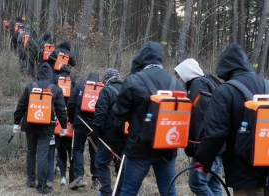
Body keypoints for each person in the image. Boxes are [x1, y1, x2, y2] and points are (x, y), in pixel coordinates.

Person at [194, 42, 269, 196]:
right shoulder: (267, 85)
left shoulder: (224, 91)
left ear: (225, 66)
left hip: (244, 173)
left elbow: (215, 135)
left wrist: (201, 163)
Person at [113, 41, 183, 196]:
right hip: (167, 147)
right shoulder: (176, 83)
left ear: (142, 58)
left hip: (139, 148)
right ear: (161, 59)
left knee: (129, 190)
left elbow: (120, 114)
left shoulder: (133, 81)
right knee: (169, 192)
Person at [13, 62, 67, 194]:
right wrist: (64, 126)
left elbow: (21, 105)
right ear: (50, 75)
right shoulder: (55, 89)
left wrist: (16, 122)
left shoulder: (30, 86)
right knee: (42, 155)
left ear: (38, 74)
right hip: (46, 127)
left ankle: (31, 180)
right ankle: (42, 186)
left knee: (31, 151)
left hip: (30, 125)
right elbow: (61, 110)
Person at [174, 58, 223, 196]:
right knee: (214, 186)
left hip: (205, 146)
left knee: (197, 182)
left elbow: (199, 117)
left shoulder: (198, 85)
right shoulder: (210, 82)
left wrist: (191, 143)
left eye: (179, 75)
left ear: (186, 73)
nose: (179, 79)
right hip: (217, 145)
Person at [92, 68, 126, 196]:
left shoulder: (106, 91)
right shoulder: (128, 91)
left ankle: (106, 192)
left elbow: (100, 112)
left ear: (106, 80)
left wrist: (95, 129)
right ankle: (120, 192)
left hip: (108, 137)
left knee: (101, 163)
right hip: (126, 137)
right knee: (121, 165)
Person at [67, 73, 100, 190]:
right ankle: (96, 180)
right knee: (95, 151)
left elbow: (70, 104)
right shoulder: (103, 88)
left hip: (80, 122)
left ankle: (79, 176)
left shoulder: (80, 85)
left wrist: (71, 120)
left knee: (78, 149)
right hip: (96, 124)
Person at [52, 64, 76, 185]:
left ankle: (62, 177)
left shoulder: (55, 78)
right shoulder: (72, 79)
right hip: (70, 119)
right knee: (72, 154)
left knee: (61, 154)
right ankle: (72, 180)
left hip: (58, 117)